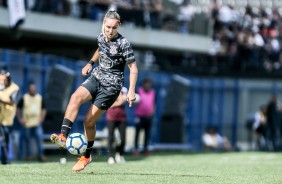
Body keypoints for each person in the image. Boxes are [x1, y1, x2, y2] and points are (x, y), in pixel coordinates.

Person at [50, 9, 138, 172]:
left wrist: (131, 91)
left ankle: (86, 156)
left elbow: (133, 67)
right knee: (75, 97)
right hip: (97, 76)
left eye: (113, 28)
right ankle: (63, 136)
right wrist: (90, 63)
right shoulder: (101, 36)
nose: (110, 31)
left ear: (119, 26)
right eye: (107, 27)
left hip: (111, 87)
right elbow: (100, 48)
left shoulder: (123, 43)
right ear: (103, 23)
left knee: (88, 122)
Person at [16, 81, 47, 161]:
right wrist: (20, 118)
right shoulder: (24, 97)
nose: (33, 89)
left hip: (37, 123)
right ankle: (28, 156)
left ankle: (40, 155)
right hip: (27, 123)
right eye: (31, 88)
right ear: (28, 89)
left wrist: (42, 118)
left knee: (39, 139)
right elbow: (18, 108)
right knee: (27, 140)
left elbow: (44, 109)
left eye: (34, 88)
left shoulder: (39, 97)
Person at [0, 70, 19, 164]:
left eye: (3, 79)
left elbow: (12, 102)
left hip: (7, 119)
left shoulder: (14, 88)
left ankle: (6, 160)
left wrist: (1, 100)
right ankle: (5, 160)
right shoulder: (1, 87)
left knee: (5, 139)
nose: (1, 81)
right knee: (3, 140)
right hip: (1, 117)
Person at [133, 78, 155, 156]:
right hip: (139, 116)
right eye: (146, 83)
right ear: (144, 84)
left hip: (148, 117)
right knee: (137, 134)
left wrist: (152, 112)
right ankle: (136, 149)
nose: (148, 85)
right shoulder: (139, 91)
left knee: (147, 134)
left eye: (149, 84)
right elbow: (134, 101)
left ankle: (146, 150)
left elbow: (153, 103)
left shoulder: (153, 92)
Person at [106, 87, 127, 164]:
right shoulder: (109, 88)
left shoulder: (124, 90)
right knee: (111, 138)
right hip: (111, 117)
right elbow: (108, 104)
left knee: (123, 138)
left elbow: (123, 100)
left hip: (122, 118)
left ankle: (120, 155)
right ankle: (110, 156)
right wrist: (119, 101)